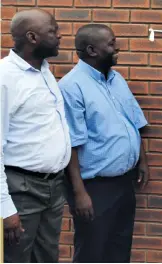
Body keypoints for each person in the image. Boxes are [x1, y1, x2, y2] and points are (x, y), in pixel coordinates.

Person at [58, 24, 149, 263]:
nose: (117, 47)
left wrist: (142, 160)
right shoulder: (71, 87)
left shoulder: (116, 79)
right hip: (94, 188)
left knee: (119, 251)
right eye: (111, 43)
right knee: (92, 252)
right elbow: (71, 145)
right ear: (92, 50)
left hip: (123, 183)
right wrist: (79, 193)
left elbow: (134, 122)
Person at [0, 9, 71, 263]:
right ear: (32, 37)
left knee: (46, 257)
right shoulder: (5, 78)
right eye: (52, 31)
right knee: (15, 258)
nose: (60, 35)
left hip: (52, 187)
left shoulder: (44, 72)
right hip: (21, 190)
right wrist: (5, 210)